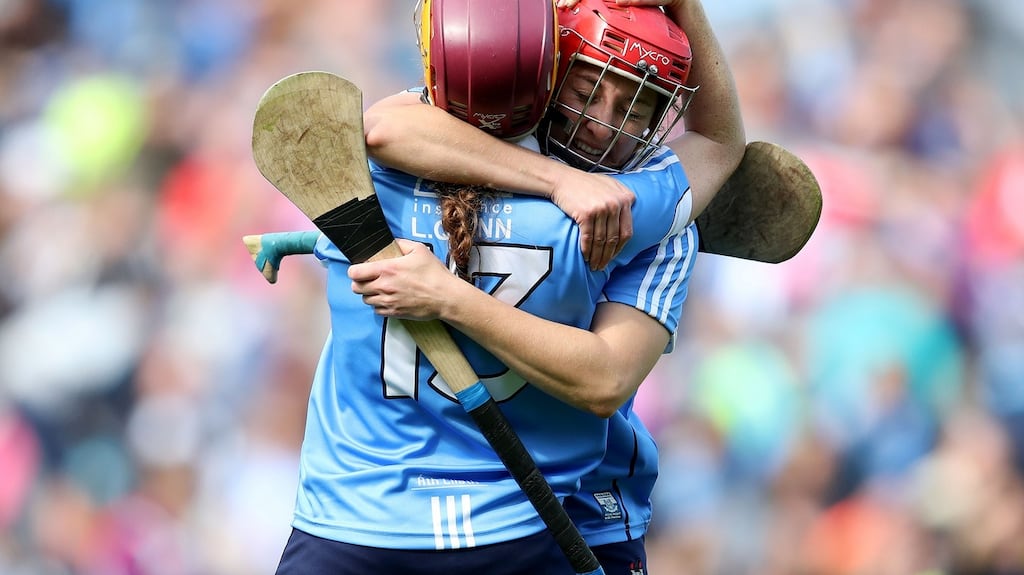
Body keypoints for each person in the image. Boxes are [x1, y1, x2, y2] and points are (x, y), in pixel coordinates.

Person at [272, 1, 743, 574]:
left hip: (351, 521)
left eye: (634, 105)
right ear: (546, 78)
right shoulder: (626, 216)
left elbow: (383, 125)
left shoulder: (370, 175)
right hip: (522, 522)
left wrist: (447, 294)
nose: (603, 122)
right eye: (588, 91)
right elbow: (719, 145)